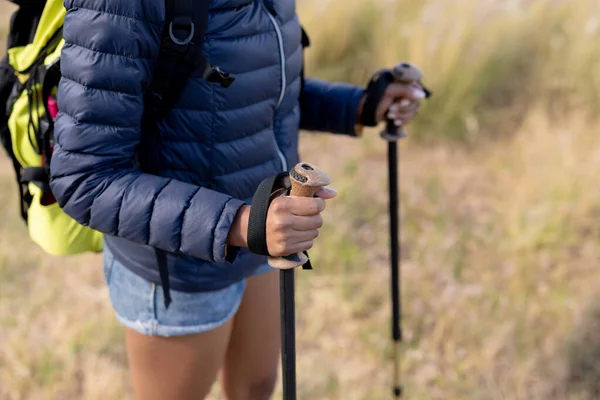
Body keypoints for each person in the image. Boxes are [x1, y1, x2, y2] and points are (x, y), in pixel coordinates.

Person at [49, 0, 424, 398]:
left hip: (261, 235)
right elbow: (86, 177)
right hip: (180, 266)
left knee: (256, 389)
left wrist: (358, 106)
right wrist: (240, 223)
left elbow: (257, 92)